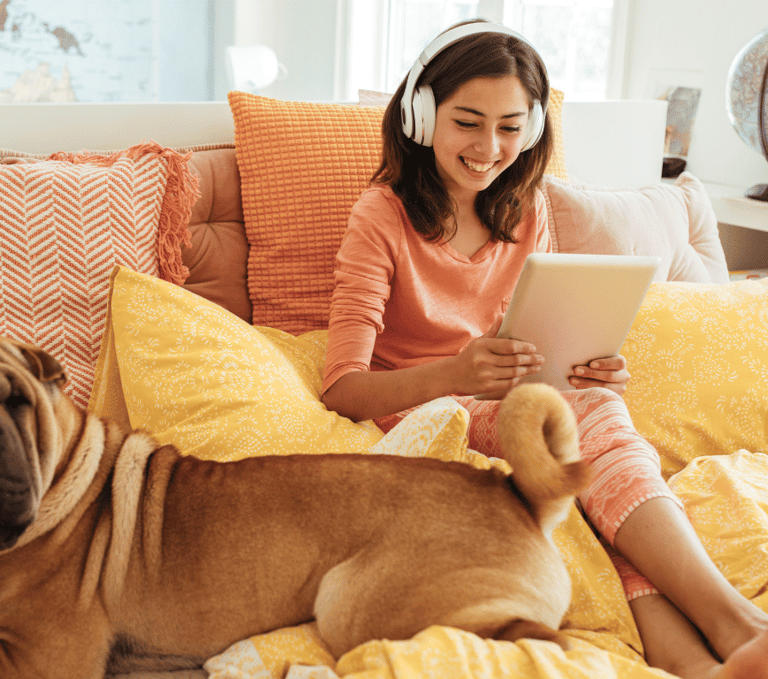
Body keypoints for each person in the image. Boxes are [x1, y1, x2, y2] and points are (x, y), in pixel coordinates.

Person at [320, 19, 768, 679]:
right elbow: (342, 388)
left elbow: (536, 331)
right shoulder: (380, 217)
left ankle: (696, 666)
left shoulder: (526, 210)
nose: (488, 146)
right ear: (421, 116)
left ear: (531, 128)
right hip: (429, 412)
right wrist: (456, 371)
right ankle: (740, 622)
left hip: (520, 406)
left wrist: (587, 365)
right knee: (586, 431)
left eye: (509, 125)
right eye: (467, 122)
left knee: (590, 472)